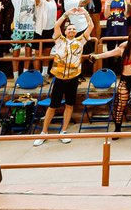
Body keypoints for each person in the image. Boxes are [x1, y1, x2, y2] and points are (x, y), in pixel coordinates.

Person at [33, 12, 89, 146]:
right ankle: (44, 132)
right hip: (59, 77)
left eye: (74, 29)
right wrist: (66, 14)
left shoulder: (80, 41)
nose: (72, 30)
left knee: (69, 105)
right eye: (69, 28)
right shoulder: (59, 40)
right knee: (53, 106)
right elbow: (56, 25)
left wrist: (86, 14)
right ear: (65, 31)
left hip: (73, 77)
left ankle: (63, 131)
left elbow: (91, 27)